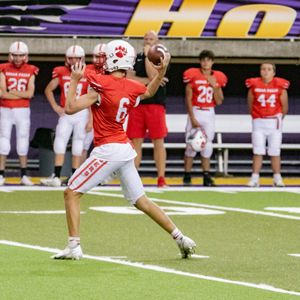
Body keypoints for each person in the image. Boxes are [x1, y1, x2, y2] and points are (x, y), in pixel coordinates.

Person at [52, 39, 196, 260]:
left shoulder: (101, 83)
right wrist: (161, 72)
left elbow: (70, 108)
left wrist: (73, 80)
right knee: (142, 201)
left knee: (71, 192)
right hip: (123, 147)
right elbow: (148, 92)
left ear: (112, 59)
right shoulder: (132, 87)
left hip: (108, 149)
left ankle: (74, 246)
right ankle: (181, 238)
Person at [40, 45, 89, 187]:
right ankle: (56, 175)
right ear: (66, 59)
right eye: (71, 58)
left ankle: (75, 176)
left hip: (82, 111)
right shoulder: (61, 71)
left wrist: (91, 118)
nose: (74, 61)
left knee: (78, 144)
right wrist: (55, 106)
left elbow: (92, 96)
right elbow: (48, 89)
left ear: (82, 59)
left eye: (76, 58)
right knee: (60, 141)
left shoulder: (88, 72)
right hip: (67, 112)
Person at [126, 30, 169, 188]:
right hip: (138, 103)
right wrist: (152, 80)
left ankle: (161, 178)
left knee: (158, 140)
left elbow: (152, 74)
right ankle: (134, 178)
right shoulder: (136, 56)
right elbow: (129, 78)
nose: (148, 41)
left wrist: (147, 56)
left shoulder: (161, 56)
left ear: (157, 41)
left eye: (151, 39)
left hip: (156, 103)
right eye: (145, 39)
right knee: (135, 140)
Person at [182, 50, 227, 186]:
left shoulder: (218, 77)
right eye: (203, 60)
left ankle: (206, 176)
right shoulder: (193, 75)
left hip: (209, 112)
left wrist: (215, 87)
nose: (206, 62)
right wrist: (192, 117)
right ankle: (187, 175)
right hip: (196, 110)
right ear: (200, 62)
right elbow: (188, 99)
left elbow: (219, 101)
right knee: (191, 144)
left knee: (207, 145)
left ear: (212, 62)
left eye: (208, 60)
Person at [0, 41, 39, 186]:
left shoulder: (31, 70)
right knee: (3, 141)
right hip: (5, 109)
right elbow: (3, 94)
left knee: (22, 142)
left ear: (26, 56)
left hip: (22, 110)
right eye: (15, 55)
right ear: (10, 55)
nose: (17, 58)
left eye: (20, 55)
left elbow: (30, 94)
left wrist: (11, 92)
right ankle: (1, 174)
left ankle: (23, 175)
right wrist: (19, 94)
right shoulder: (3, 68)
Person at [246, 63, 289, 187]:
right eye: (263, 69)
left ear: (274, 73)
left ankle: (277, 177)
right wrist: (257, 116)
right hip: (259, 121)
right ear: (260, 71)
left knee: (275, 151)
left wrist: (277, 117)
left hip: (274, 121)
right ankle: (255, 177)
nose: (266, 71)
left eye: (269, 69)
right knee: (258, 150)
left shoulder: (280, 85)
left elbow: (284, 107)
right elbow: (250, 104)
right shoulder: (253, 85)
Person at [81, 43, 107, 162]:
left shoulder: (113, 70)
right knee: (83, 145)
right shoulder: (87, 70)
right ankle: (79, 173)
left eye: (103, 57)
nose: (99, 60)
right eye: (97, 56)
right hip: (89, 110)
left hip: (108, 112)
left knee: (106, 146)